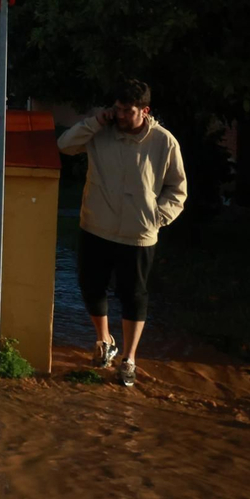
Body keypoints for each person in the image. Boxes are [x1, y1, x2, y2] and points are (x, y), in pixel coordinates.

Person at [57, 79, 187, 386]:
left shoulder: (164, 142)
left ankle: (128, 359)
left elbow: (177, 190)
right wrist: (94, 121)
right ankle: (104, 341)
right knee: (91, 287)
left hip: (138, 234)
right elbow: (65, 145)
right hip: (95, 226)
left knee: (133, 296)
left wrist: (157, 217)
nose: (120, 115)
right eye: (116, 109)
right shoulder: (99, 132)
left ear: (144, 110)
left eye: (127, 110)